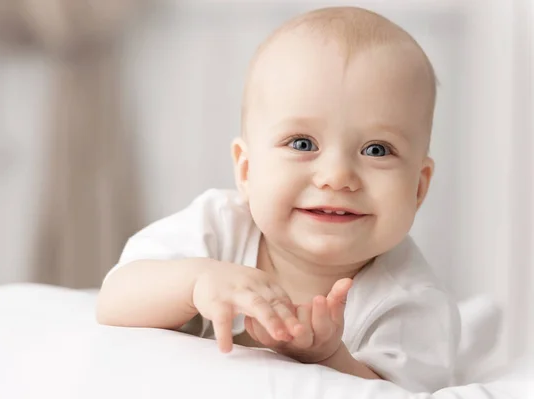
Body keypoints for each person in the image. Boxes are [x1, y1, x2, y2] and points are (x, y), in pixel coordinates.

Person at [97, 6, 460, 393]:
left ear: (418, 188)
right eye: (302, 143)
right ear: (247, 171)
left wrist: (327, 357)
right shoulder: (218, 226)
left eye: (376, 150)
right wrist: (196, 283)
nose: (337, 176)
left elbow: (400, 390)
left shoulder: (411, 303)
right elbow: (114, 299)